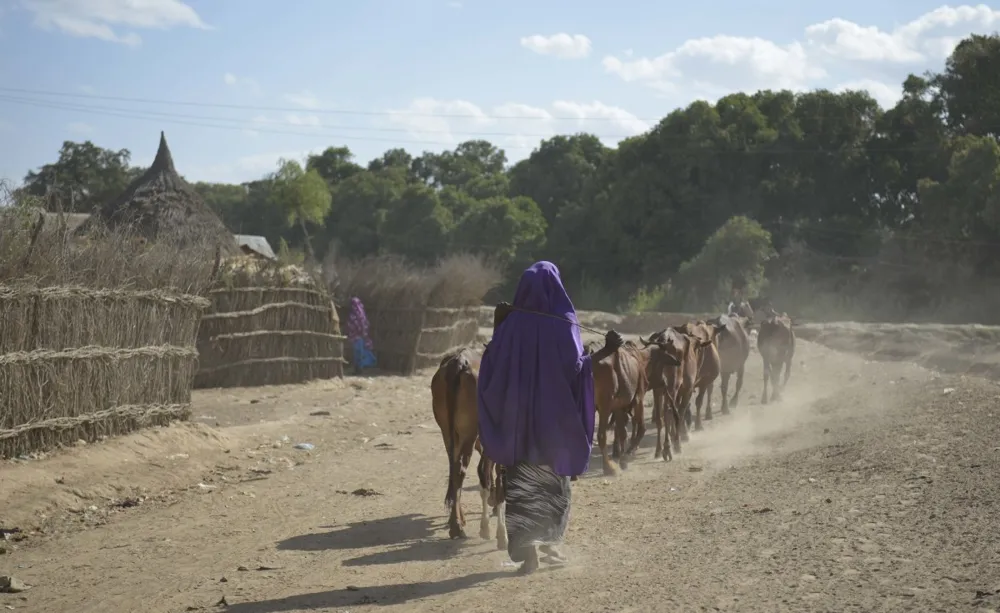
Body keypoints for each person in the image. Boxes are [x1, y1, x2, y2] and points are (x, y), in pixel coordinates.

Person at [477, 261, 625, 574]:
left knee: (522, 488)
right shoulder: (564, 322)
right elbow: (578, 370)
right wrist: (608, 349)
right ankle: (550, 546)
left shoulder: (512, 323)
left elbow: (492, 364)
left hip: (520, 430)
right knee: (554, 486)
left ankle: (528, 555)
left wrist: (498, 323)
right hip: (554, 428)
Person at [346, 297, 377, 375]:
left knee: (358, 354)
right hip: (360, 337)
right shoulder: (361, 314)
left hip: (356, 337)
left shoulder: (354, 315)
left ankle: (359, 369)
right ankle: (359, 368)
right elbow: (365, 325)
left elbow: (356, 326)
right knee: (360, 353)